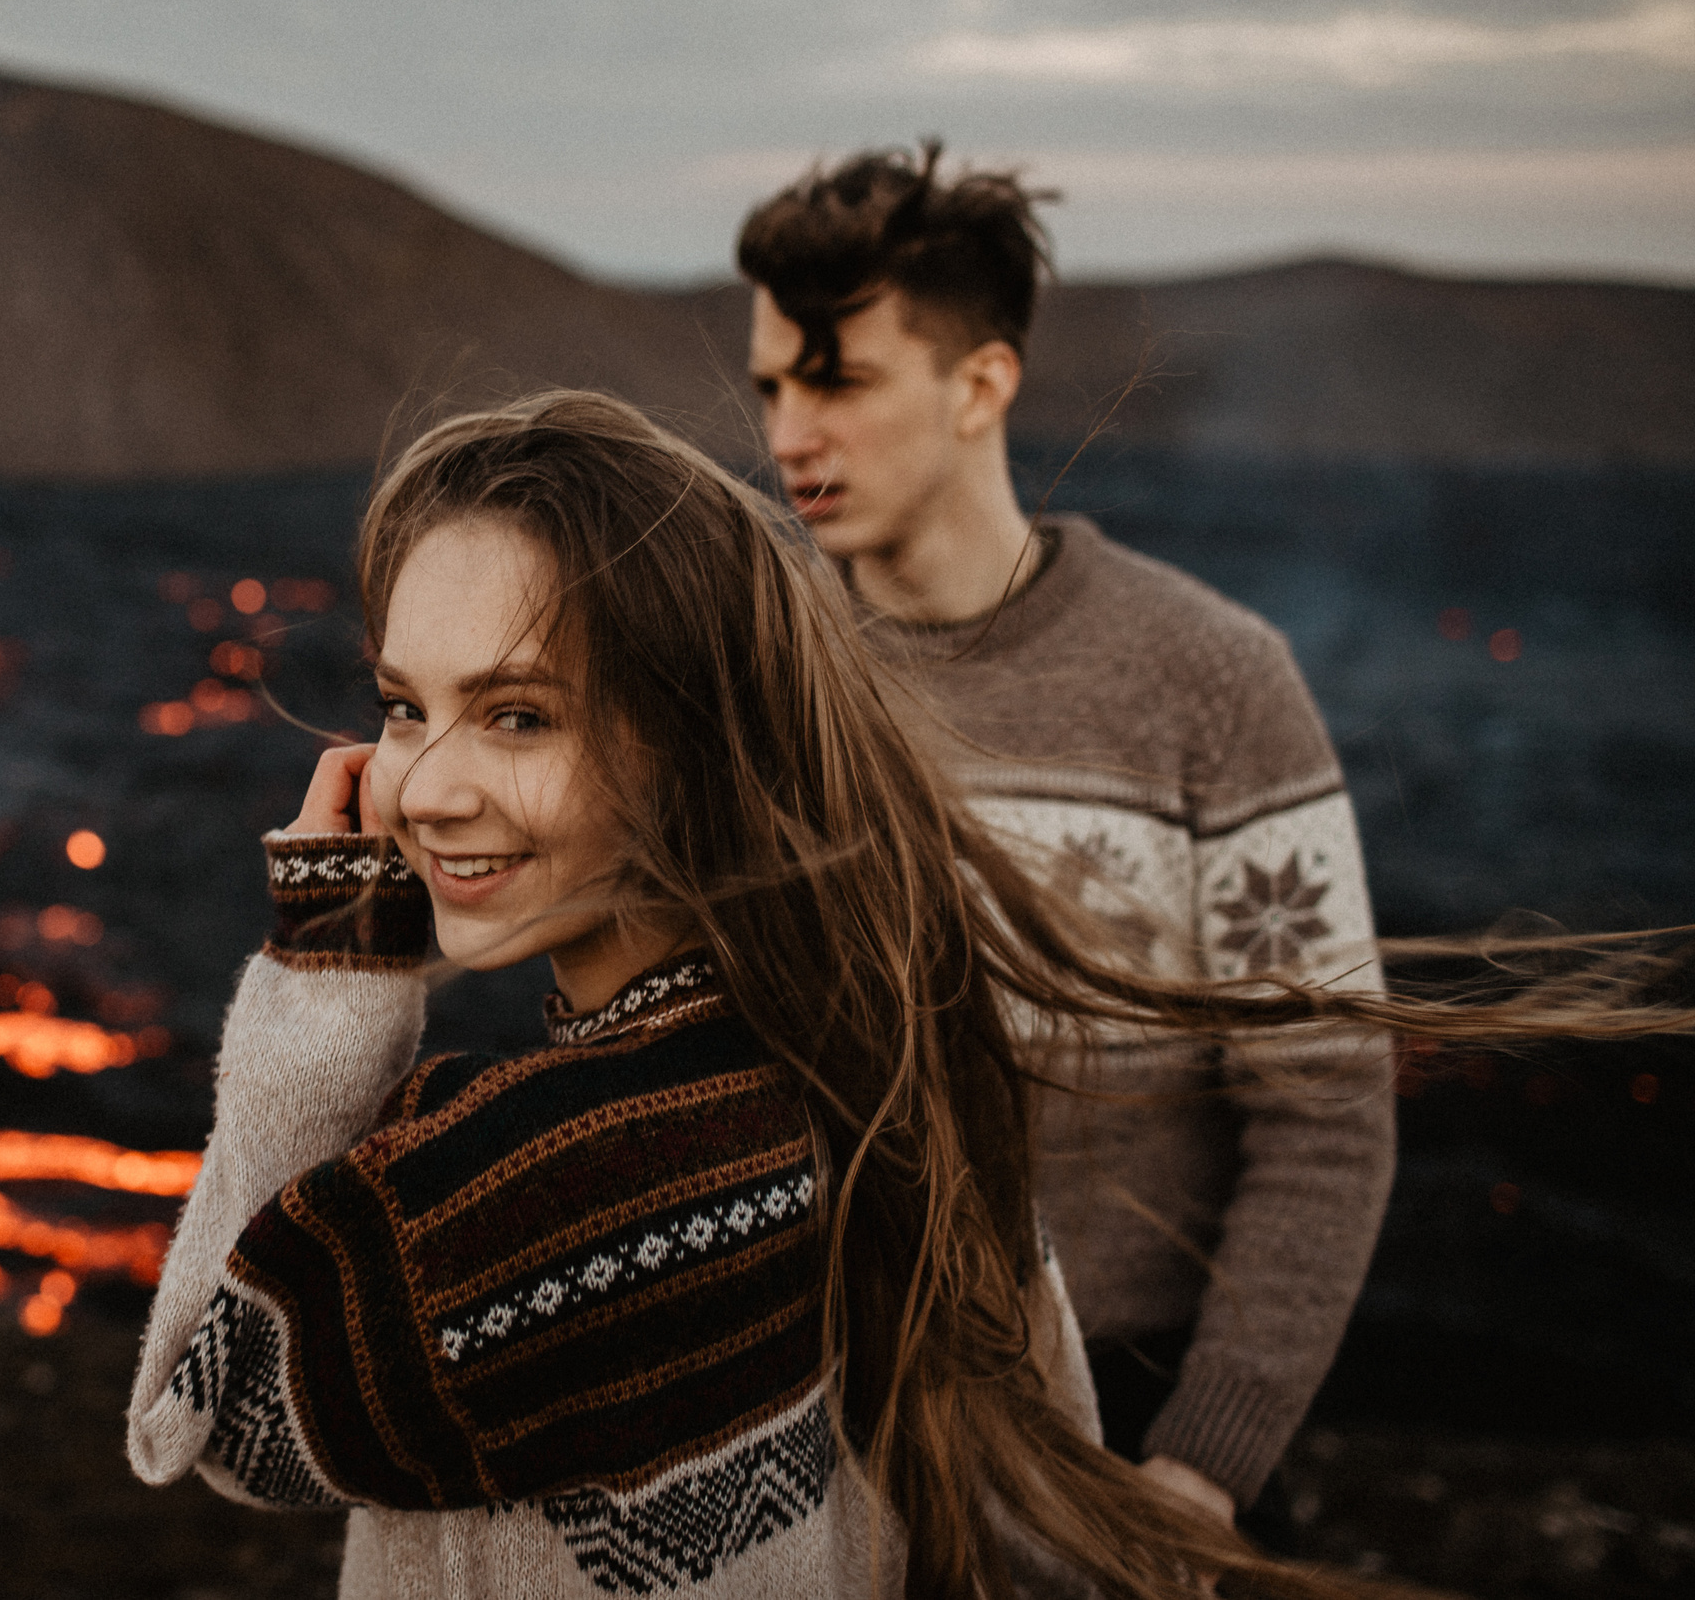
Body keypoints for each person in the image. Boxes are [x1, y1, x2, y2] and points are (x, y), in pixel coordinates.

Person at [122, 392, 1688, 1599]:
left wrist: (331, 979)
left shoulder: (560, 1176)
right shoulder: (880, 1065)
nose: (425, 786)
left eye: (520, 716)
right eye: (405, 707)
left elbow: (197, 1423)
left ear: (694, 745)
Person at [736, 144, 1392, 1538]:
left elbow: (1326, 1111)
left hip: (1124, 1420)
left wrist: (1202, 1469)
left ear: (981, 385)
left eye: (838, 382)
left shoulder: (1213, 680)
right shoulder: (754, 677)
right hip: (809, 1422)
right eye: (774, 389)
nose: (790, 436)